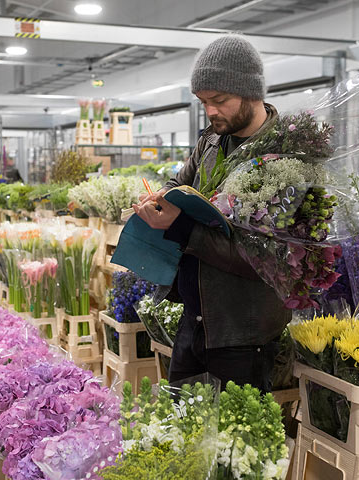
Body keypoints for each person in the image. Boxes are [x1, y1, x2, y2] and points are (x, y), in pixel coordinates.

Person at [134, 35, 290, 392]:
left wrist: (181, 227)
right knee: (181, 436)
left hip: (243, 336)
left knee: (240, 446)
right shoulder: (212, 141)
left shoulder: (285, 160)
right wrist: (159, 196)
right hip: (196, 320)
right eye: (204, 102)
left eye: (219, 101)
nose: (211, 112)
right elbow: (178, 182)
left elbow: (261, 258)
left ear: (250, 92)